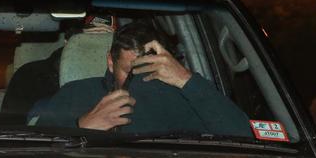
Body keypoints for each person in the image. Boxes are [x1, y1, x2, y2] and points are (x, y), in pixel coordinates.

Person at [35, 21, 252, 137]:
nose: (139, 81)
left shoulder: (183, 99)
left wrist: (186, 79)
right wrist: (82, 126)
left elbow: (243, 137)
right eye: (130, 71)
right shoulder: (77, 94)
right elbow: (40, 154)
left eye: (150, 69)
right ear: (111, 62)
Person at [0, 14, 116, 126]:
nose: (100, 53)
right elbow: (10, 133)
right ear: (67, 43)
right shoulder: (30, 76)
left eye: (107, 42)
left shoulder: (127, 81)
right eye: (90, 44)